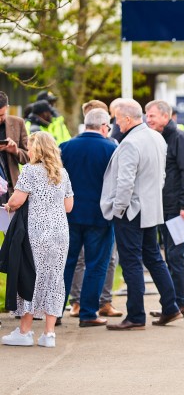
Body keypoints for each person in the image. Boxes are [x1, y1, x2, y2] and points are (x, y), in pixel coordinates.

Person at [100, 99, 182, 330]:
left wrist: (118, 210)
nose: (116, 123)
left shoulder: (130, 143)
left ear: (127, 119)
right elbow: (161, 175)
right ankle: (171, 307)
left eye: (117, 118)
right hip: (151, 208)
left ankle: (136, 316)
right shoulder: (157, 137)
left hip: (131, 211)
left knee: (131, 262)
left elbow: (125, 182)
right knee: (153, 257)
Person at [1, 132, 74, 347]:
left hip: (36, 233)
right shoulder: (63, 173)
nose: (29, 150)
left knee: (30, 277)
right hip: (60, 232)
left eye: (31, 146)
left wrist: (8, 205)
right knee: (54, 279)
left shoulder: (30, 171)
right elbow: (68, 207)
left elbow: (16, 201)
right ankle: (49, 334)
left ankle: (24, 332)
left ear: (37, 149)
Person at [59, 108, 117, 328]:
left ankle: (54, 313)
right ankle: (88, 313)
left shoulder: (66, 147)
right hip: (99, 217)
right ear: (104, 126)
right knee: (96, 265)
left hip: (69, 215)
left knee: (66, 264)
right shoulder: (111, 148)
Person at [145, 100, 184, 318]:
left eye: (152, 116)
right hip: (162, 206)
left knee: (176, 256)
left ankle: (180, 303)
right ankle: (174, 303)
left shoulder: (179, 137)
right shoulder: (156, 138)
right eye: (146, 116)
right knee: (169, 255)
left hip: (178, 208)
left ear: (166, 117)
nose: (148, 120)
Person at [0, 92, 30, 197]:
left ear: (7, 108)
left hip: (12, 189)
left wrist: (15, 151)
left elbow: (30, 157)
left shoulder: (18, 123)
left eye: (1, 115)